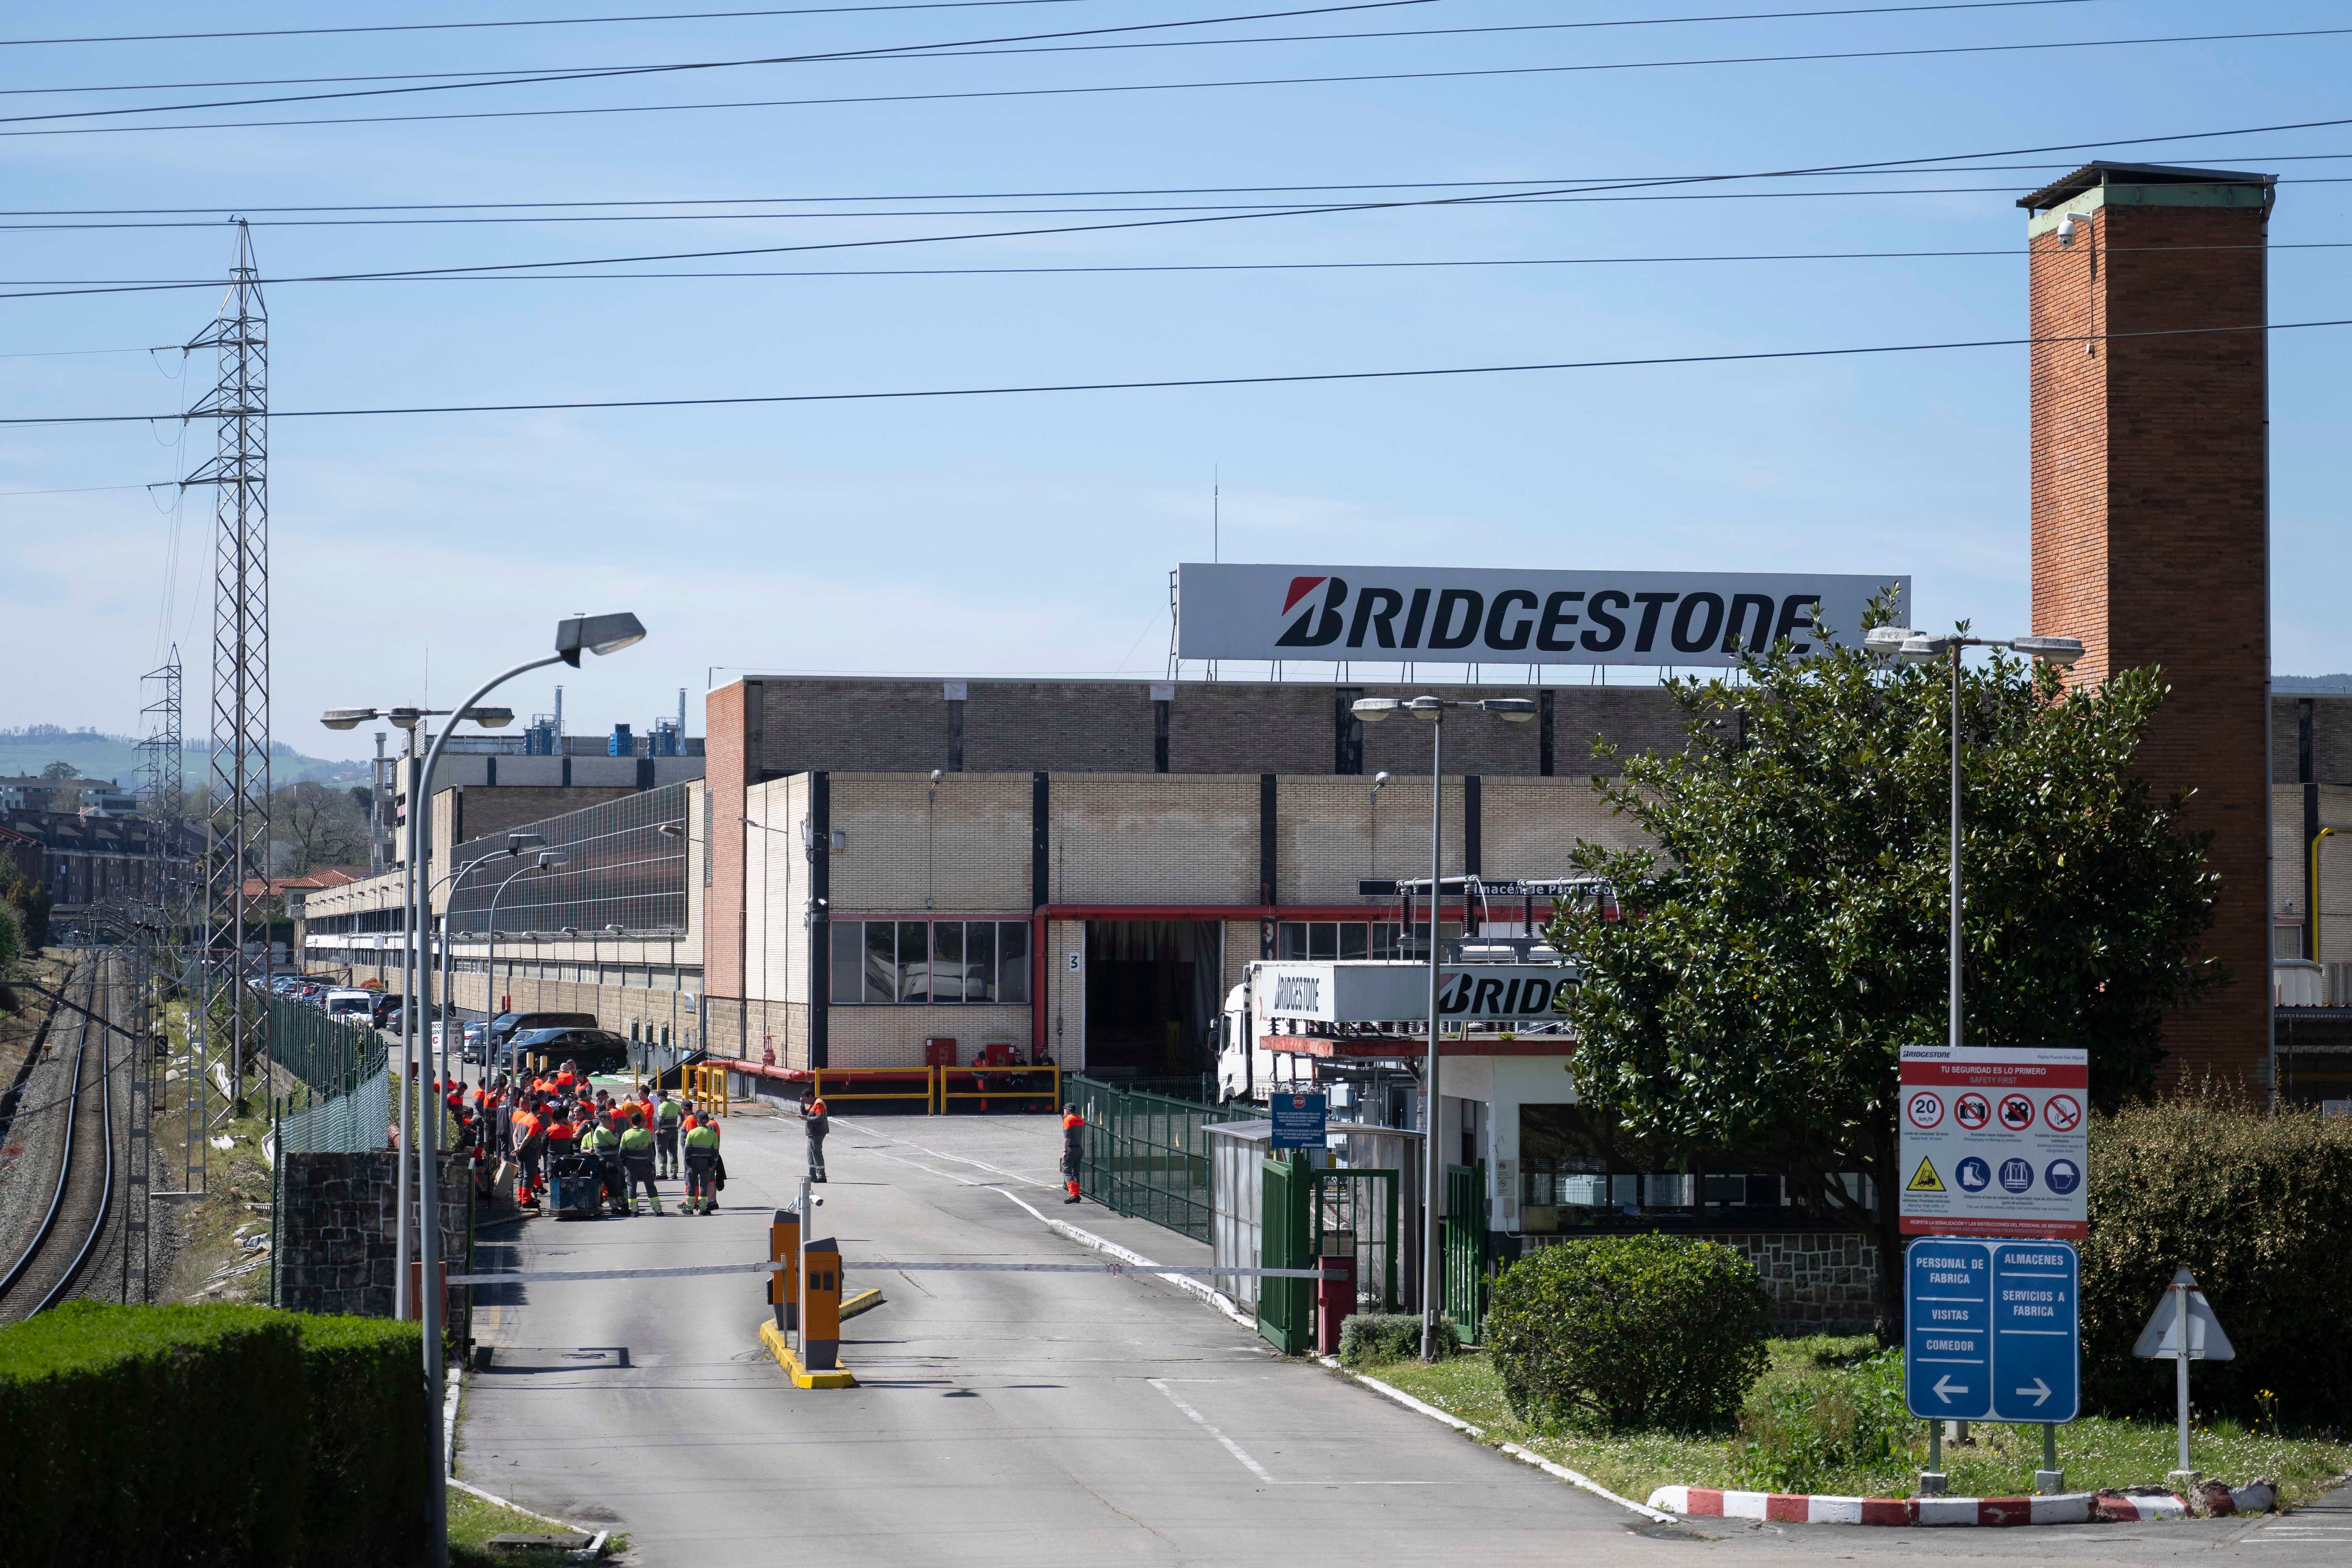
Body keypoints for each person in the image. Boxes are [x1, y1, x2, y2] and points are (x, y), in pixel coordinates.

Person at [619, 1111, 662, 1215]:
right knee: (650, 1185)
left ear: (631, 1122)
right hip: (645, 1164)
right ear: (642, 1121)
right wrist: (652, 1163)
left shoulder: (626, 1134)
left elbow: (621, 1152)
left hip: (631, 1165)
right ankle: (658, 1210)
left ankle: (634, 1211)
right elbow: (650, 1150)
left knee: (632, 1187)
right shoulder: (646, 1132)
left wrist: (624, 1162)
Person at [682, 1115, 722, 1216]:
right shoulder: (712, 1135)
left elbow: (687, 1151)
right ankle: (702, 1208)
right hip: (706, 1164)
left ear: (698, 1120)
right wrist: (712, 1164)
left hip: (693, 1164)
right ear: (707, 1120)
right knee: (704, 1186)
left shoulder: (691, 1133)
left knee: (691, 1185)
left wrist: (688, 1164)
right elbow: (715, 1152)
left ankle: (689, 1208)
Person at [583, 1112, 625, 1207]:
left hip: (605, 1162)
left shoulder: (600, 1130)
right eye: (610, 1119)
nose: (612, 1121)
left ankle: (614, 1206)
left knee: (610, 1186)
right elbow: (616, 1144)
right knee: (616, 1185)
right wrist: (617, 1137)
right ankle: (621, 1206)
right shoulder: (604, 1131)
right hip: (610, 1163)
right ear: (602, 1120)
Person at [653, 1090, 683, 1180]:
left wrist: (658, 1130)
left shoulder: (662, 1106)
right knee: (673, 1153)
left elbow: (661, 1119)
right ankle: (674, 1173)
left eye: (658, 1097)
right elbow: (682, 1116)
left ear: (661, 1097)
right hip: (674, 1131)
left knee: (662, 1153)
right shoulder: (675, 1105)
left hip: (664, 1132)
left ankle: (663, 1173)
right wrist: (678, 1127)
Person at [1060, 1102, 1085, 1205]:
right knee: (1076, 1172)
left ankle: (1074, 1194)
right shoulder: (1080, 1120)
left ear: (1067, 1110)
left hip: (1071, 1149)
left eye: (1065, 1110)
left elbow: (1067, 1137)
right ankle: (1077, 1194)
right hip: (1079, 1148)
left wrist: (1065, 1151)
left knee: (1066, 1171)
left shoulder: (1068, 1120)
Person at [804, 1095, 829, 1184]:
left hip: (817, 1133)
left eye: (806, 1099)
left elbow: (819, 1118)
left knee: (817, 1153)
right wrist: (802, 1105)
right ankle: (812, 1175)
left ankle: (822, 1177)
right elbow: (805, 1113)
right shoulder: (811, 1104)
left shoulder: (818, 1104)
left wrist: (807, 1119)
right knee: (810, 1154)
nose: (806, 1101)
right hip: (812, 1133)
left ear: (810, 1097)